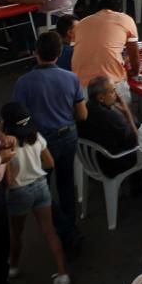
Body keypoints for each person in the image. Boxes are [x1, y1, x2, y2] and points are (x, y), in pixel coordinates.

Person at [11, 32, 86, 254]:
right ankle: (69, 228)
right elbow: (81, 115)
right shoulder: (71, 78)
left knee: (42, 187)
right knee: (66, 183)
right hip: (69, 135)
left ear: (36, 52)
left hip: (42, 141)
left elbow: (17, 117)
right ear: (60, 53)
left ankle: (62, 227)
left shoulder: (23, 82)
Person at [1, 101, 71, 284]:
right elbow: (49, 164)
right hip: (40, 186)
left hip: (19, 192)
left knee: (16, 234)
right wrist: (35, 170)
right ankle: (63, 275)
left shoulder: (7, 146)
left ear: (5, 123)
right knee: (49, 231)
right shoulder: (36, 137)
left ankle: (13, 267)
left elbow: (8, 181)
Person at [77, 76, 138, 177]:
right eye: (113, 91)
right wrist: (127, 114)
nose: (117, 95)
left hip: (91, 161)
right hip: (110, 164)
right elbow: (135, 141)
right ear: (101, 97)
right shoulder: (112, 118)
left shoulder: (85, 110)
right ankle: (140, 189)